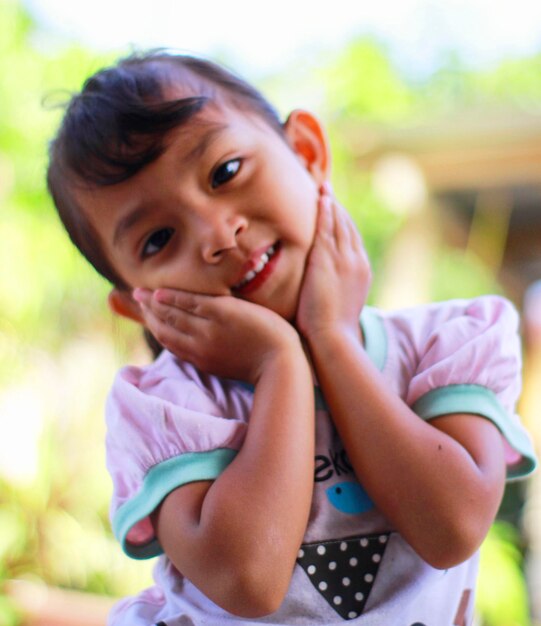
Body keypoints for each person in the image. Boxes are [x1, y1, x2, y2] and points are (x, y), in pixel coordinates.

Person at [47, 50, 537, 626]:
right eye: (158, 239)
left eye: (224, 172)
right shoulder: (165, 410)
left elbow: (451, 527)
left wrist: (329, 340)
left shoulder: (444, 345)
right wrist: (279, 361)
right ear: (137, 306)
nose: (217, 235)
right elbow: (248, 581)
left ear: (306, 153)